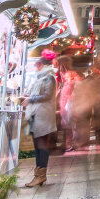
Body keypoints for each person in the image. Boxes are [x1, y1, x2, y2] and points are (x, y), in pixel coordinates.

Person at [23, 51, 58, 188]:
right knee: (38, 146)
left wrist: (29, 99)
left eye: (38, 64)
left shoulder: (49, 78)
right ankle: (38, 176)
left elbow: (47, 96)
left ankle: (40, 175)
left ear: (43, 64)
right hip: (36, 117)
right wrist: (27, 97)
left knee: (42, 147)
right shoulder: (40, 78)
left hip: (43, 117)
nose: (36, 67)